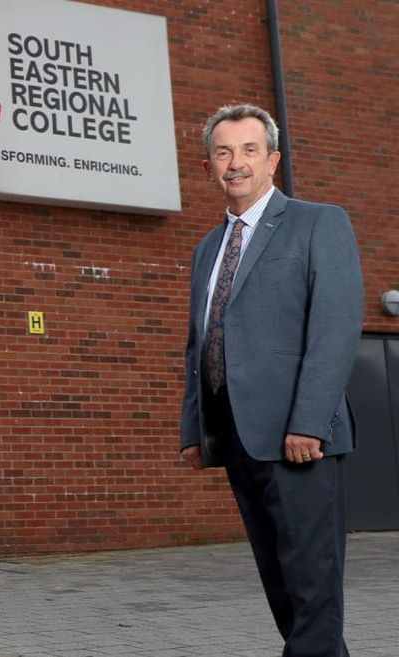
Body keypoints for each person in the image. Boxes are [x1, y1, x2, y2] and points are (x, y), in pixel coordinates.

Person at [179, 103, 363, 656]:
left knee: (312, 581)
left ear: (273, 160)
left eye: (249, 150)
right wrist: (195, 429)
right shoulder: (206, 249)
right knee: (280, 582)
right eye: (223, 152)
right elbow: (200, 339)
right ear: (209, 164)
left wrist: (309, 422)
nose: (236, 163)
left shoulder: (318, 222)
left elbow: (334, 327)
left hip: (297, 437)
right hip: (236, 434)